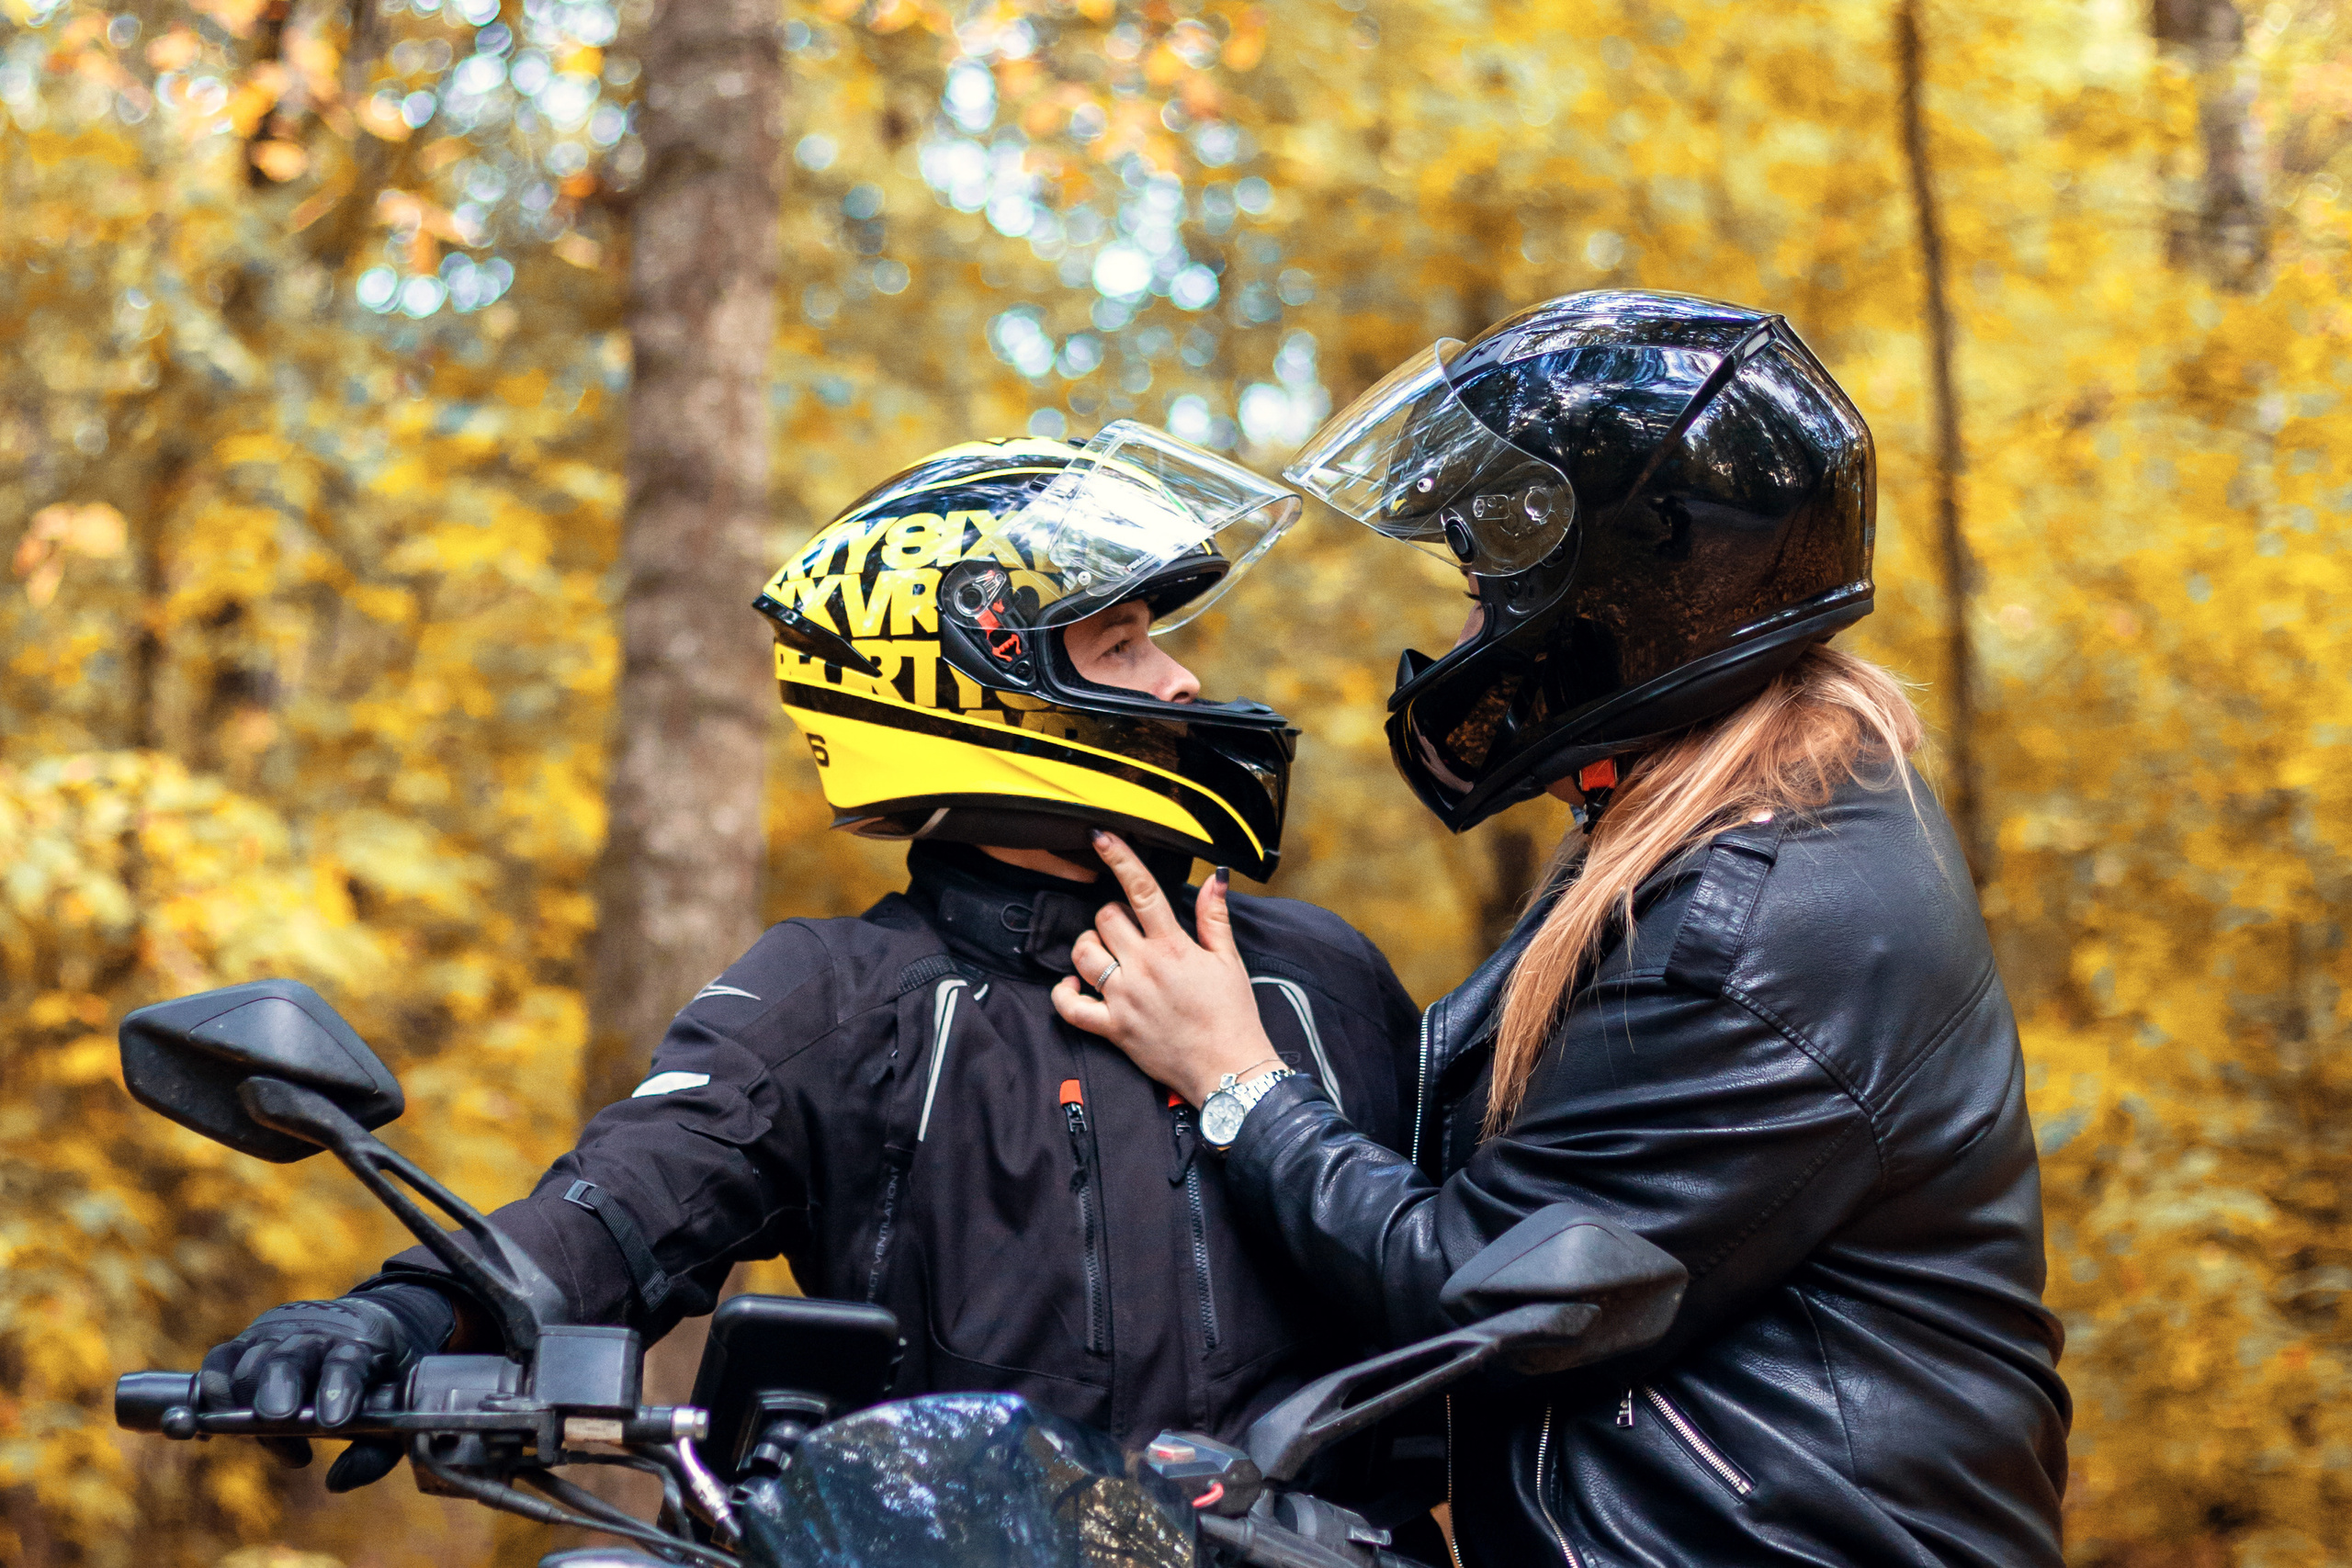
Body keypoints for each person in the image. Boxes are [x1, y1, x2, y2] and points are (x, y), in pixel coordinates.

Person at [198, 429, 1421, 1495]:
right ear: (985, 691)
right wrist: (399, 1311)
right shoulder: (835, 997)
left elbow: (1482, 1264)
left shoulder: (1324, 976)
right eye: (1121, 646)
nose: (1182, 677)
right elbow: (614, 1211)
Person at [1052, 293, 2072, 1567]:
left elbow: (1481, 1287)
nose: (1465, 639)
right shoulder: (1737, 821)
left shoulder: (1750, 930)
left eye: (1487, 596)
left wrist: (1235, 1080)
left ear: (1621, 595)